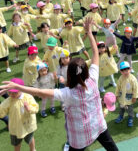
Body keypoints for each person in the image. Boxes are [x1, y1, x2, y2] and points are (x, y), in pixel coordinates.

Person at [0, 18, 119, 151]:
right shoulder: (93, 79)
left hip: (79, 137)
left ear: (69, 74)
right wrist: (89, 33)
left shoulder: (68, 93)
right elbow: (95, 54)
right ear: (86, 71)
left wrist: (17, 86)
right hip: (99, 126)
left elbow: (39, 92)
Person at [0, 78, 39, 151]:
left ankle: (33, 149)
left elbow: (35, 107)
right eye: (10, 92)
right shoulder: (8, 100)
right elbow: (1, 110)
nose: (12, 94)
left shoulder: (28, 97)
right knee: (16, 143)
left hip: (28, 125)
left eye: (15, 92)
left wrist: (29, 108)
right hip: (16, 127)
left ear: (21, 89)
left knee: (30, 138)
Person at [115, 61, 138, 127]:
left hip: (129, 98)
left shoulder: (133, 79)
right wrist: (116, 95)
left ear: (130, 69)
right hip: (122, 97)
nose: (125, 72)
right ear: (121, 71)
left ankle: (131, 117)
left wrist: (135, 97)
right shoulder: (120, 78)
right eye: (123, 70)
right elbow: (118, 87)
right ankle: (121, 116)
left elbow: (135, 89)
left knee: (130, 109)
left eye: (127, 70)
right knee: (121, 108)